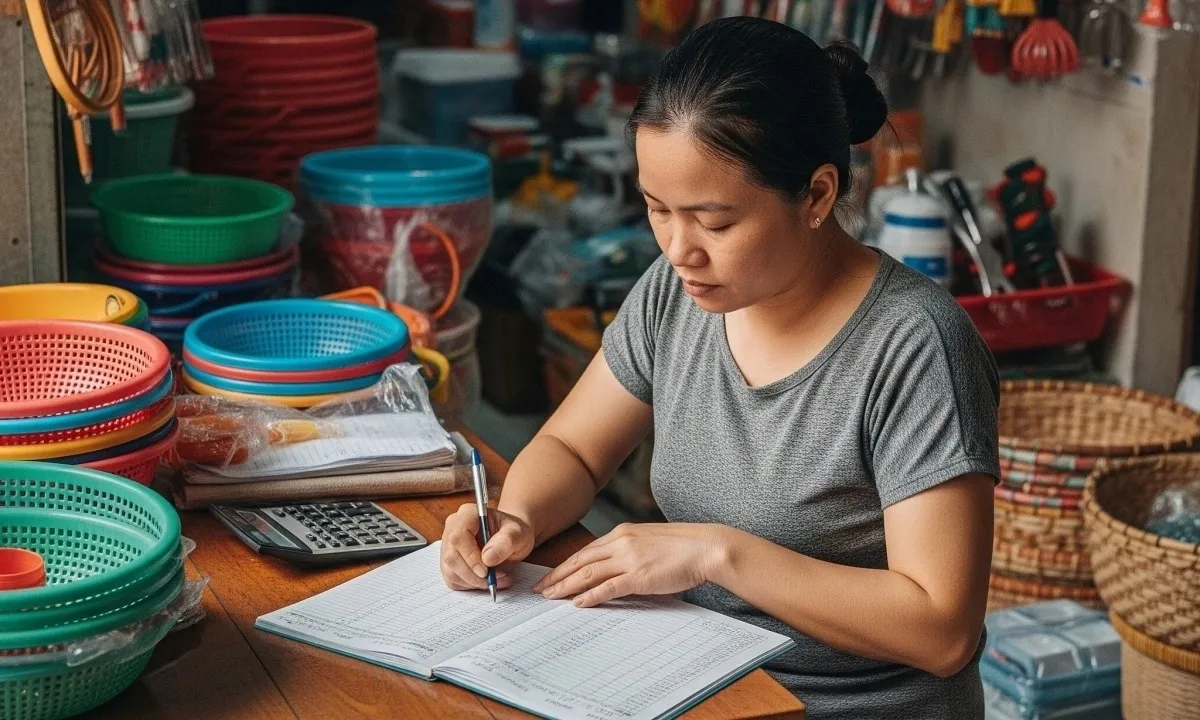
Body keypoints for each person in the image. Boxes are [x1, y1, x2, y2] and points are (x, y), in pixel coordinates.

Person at [440, 16, 997, 719]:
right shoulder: (676, 294)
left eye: (716, 222)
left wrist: (717, 555)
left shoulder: (915, 346)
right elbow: (574, 449)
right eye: (657, 210)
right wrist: (515, 521)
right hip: (707, 685)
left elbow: (942, 628)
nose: (679, 249)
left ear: (818, 195)